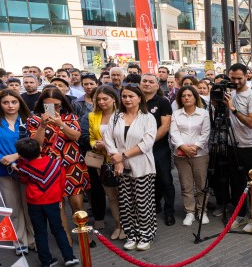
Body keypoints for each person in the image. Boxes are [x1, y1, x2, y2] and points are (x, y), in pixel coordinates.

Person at [103, 84, 157, 251]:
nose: (127, 99)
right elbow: (108, 139)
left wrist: (123, 156)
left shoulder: (148, 118)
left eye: (131, 96)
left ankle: (146, 235)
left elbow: (147, 143)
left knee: (143, 203)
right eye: (124, 96)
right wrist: (118, 160)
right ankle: (131, 234)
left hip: (142, 166)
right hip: (120, 167)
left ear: (139, 98)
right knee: (126, 203)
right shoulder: (116, 117)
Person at [27, 87, 91, 226]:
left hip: (72, 165)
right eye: (48, 105)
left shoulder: (70, 117)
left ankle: (83, 233)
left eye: (56, 105)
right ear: (42, 104)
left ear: (62, 103)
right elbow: (36, 144)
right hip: (49, 167)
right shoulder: (34, 120)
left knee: (77, 203)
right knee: (58, 204)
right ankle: (65, 236)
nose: (53, 108)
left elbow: (76, 136)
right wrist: (42, 126)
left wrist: (60, 124)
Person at [12, 138, 78, 267]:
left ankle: (45, 262)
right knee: (58, 229)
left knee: (39, 232)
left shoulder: (24, 168)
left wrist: (17, 165)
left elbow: (23, 179)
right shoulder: (55, 163)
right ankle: (69, 257)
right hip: (53, 201)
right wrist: (60, 199)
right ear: (40, 149)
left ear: (22, 156)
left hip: (34, 203)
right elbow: (62, 181)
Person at [0, 89, 35, 255]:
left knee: (30, 207)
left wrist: (18, 157)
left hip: (30, 170)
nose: (10, 105)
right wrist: (8, 160)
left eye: (14, 102)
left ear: (20, 103)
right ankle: (20, 241)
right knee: (13, 208)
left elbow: (37, 144)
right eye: (5, 102)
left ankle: (34, 239)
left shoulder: (29, 120)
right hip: (6, 171)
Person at [81, 85, 122, 236]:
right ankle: (118, 225)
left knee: (124, 196)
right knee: (111, 196)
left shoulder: (122, 115)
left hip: (120, 160)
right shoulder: (93, 116)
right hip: (102, 162)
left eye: (105, 99)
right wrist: (95, 145)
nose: (101, 102)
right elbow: (91, 137)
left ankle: (127, 226)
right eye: (98, 99)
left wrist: (108, 145)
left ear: (114, 99)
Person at [226, 63, 252, 232]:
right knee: (236, 183)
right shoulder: (229, 93)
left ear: (246, 76)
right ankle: (240, 215)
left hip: (249, 146)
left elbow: (251, 122)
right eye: (232, 78)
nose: (235, 81)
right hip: (232, 145)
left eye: (239, 78)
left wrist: (233, 109)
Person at [171, 85, 211, 227]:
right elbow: (174, 133)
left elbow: (205, 133)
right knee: (186, 185)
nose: (186, 98)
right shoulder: (176, 114)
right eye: (183, 96)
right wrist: (183, 147)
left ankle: (202, 211)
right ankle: (190, 212)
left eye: (189, 95)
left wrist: (194, 147)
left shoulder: (203, 113)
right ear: (180, 99)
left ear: (195, 97)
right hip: (181, 155)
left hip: (200, 154)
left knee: (201, 185)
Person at [140, 74, 175, 225]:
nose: (147, 84)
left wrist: (147, 143)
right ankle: (154, 206)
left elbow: (165, 127)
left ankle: (169, 212)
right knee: (148, 181)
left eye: (151, 82)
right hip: (138, 149)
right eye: (144, 81)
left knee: (165, 180)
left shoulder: (163, 102)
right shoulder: (134, 100)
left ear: (157, 86)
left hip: (159, 148)